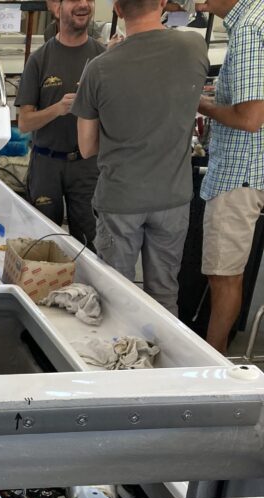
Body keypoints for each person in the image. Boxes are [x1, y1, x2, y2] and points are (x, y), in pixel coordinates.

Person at [72, 0, 208, 315]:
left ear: (118, 10)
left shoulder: (99, 68)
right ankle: (163, 362)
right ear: (161, 3)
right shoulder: (194, 46)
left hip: (121, 199)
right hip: (171, 198)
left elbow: (87, 147)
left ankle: (115, 361)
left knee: (113, 299)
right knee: (164, 295)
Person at [195, 0, 264, 353]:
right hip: (251, 168)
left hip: (241, 172)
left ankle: (212, 363)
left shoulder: (250, 27)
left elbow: (250, 118)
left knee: (223, 275)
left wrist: (201, 104)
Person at [16, 0, 105, 247]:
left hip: (88, 167)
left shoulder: (103, 57)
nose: (84, 4)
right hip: (46, 165)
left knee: (90, 243)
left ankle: (87, 287)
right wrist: (58, 109)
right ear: (57, 8)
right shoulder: (39, 60)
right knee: (44, 241)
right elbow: (24, 123)